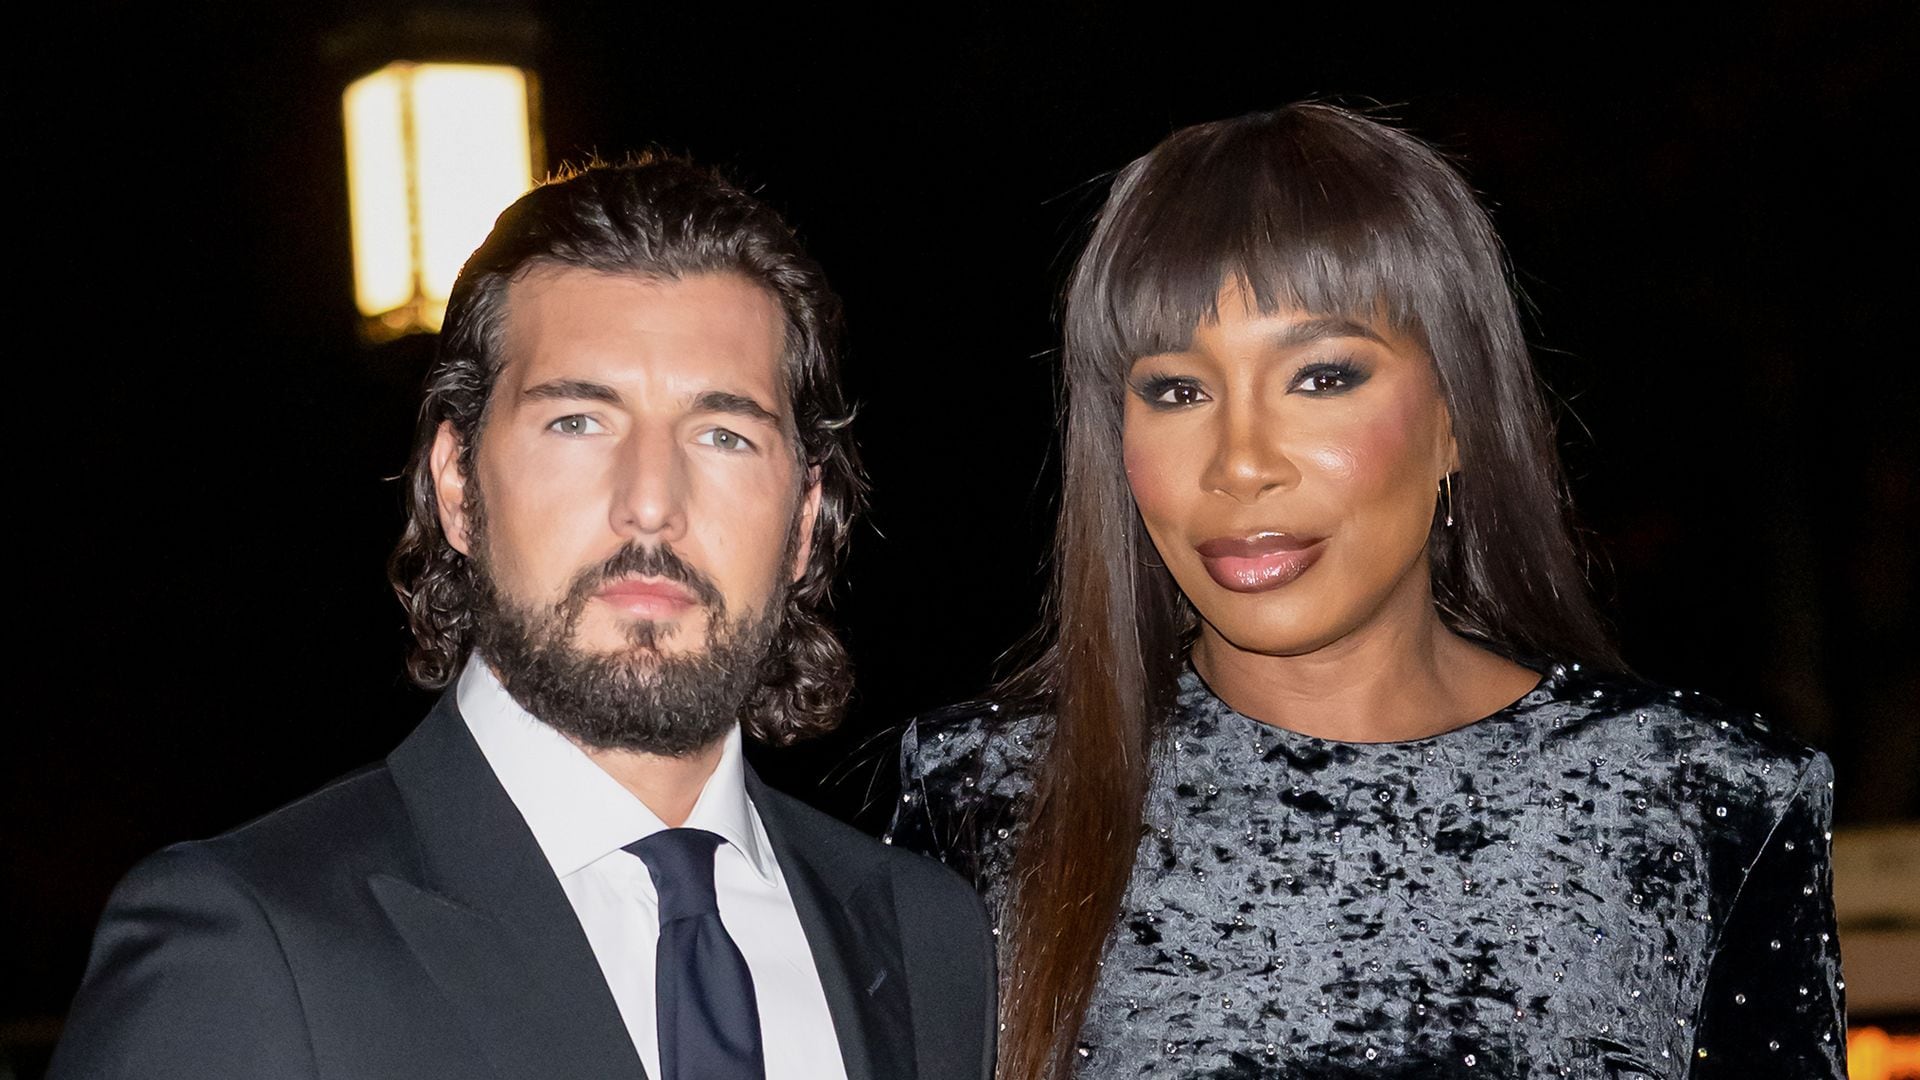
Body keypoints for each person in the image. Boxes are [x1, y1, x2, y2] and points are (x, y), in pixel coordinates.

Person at [892, 104, 1845, 1079]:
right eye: (1177, 391)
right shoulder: (986, 793)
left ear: (1458, 414)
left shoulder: (1704, 802)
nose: (1241, 462)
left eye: (1320, 376)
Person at [52, 157, 996, 1080]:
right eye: (579, 422)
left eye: (723, 434)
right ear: (457, 485)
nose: (652, 502)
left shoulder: (934, 946)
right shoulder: (248, 947)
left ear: (804, 519)